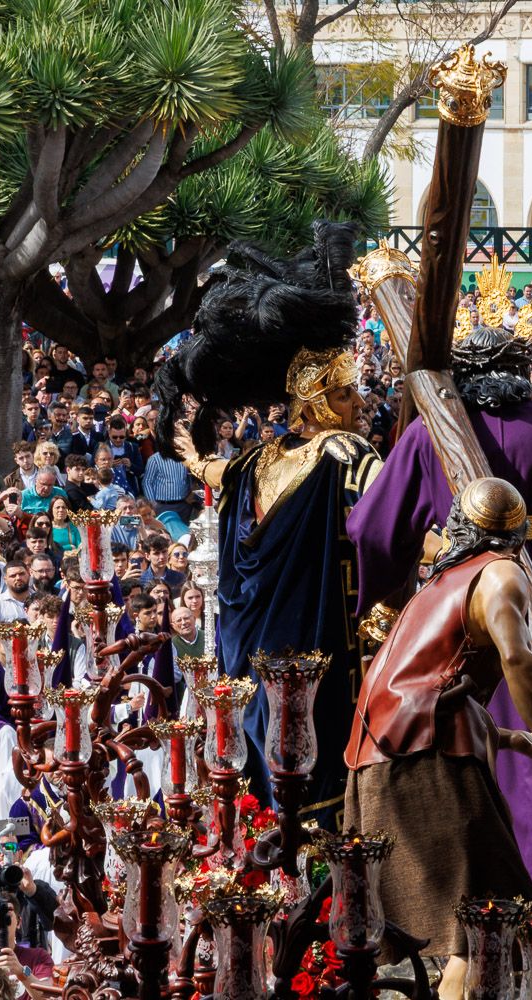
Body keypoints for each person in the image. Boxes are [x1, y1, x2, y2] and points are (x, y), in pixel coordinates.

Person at [346, 325, 532, 904]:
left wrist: (391, 592)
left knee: (469, 719)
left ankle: (473, 885)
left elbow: (371, 528)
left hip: (459, 590)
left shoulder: (428, 433)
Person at [343, 478, 532, 998]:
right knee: (488, 927)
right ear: (520, 536)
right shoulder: (502, 573)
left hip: (378, 763)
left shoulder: (438, 584)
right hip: (422, 764)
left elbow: (428, 689)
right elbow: (518, 662)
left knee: (474, 939)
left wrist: (510, 738)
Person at [157, 223, 380, 824]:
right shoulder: (348, 454)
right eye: (345, 394)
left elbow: (216, 472)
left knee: (260, 767)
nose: (359, 405)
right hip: (316, 653)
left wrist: (189, 454)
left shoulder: (257, 460)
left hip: (251, 650)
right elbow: (394, 518)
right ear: (311, 400)